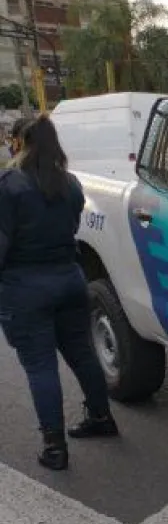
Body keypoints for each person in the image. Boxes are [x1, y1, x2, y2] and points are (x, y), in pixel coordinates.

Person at [0, 114, 119, 471]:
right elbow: (72, 225)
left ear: (21, 143)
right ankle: (101, 417)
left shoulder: (10, 185)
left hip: (26, 288)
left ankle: (55, 448)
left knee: (40, 367)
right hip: (69, 280)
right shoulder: (70, 184)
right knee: (82, 354)